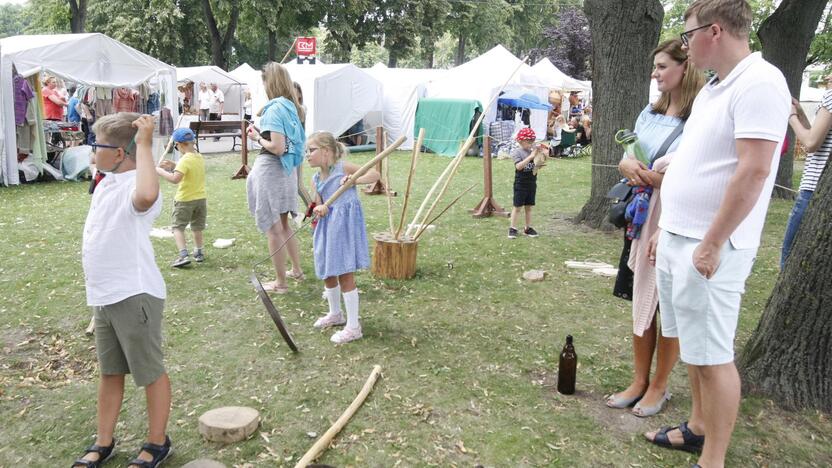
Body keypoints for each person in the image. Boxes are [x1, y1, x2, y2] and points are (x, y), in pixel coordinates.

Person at [643, 2, 790, 467]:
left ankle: (714, 458)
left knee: (713, 354)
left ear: (715, 31)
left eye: (687, 36)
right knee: (693, 344)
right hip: (678, 236)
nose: (685, 45)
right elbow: (699, 154)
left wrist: (710, 243)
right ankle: (698, 426)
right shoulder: (714, 88)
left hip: (713, 247)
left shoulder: (761, 83)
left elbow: (753, 171)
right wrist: (664, 227)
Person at [606, 39, 705, 418]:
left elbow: (701, 173)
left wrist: (664, 180)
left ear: (685, 68)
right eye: (655, 67)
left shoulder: (701, 117)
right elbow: (629, 154)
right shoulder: (650, 111)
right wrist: (626, 166)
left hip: (677, 218)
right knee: (640, 296)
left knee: (669, 306)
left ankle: (660, 385)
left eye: (662, 66)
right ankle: (638, 380)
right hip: (641, 216)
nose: (655, 73)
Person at [72, 113, 172, 468]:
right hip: (104, 297)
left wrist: (144, 143)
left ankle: (157, 441)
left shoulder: (139, 185)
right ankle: (103, 440)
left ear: (118, 153)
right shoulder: (105, 183)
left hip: (134, 294)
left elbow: (146, 194)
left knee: (149, 371)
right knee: (110, 372)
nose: (90, 151)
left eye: (95, 145)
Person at [306, 131, 377, 344]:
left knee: (345, 273)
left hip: (344, 229)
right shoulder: (316, 178)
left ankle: (354, 327)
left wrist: (355, 180)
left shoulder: (343, 168)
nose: (307, 155)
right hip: (327, 228)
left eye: (311, 150)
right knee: (328, 271)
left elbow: (375, 174)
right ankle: (335, 314)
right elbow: (318, 202)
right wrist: (319, 208)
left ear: (326, 152)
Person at [245, 62, 306, 293]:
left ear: (269, 83)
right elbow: (288, 144)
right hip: (286, 171)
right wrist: (263, 135)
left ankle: (281, 283)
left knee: (273, 229)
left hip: (272, 169)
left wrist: (256, 138)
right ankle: (296, 270)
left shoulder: (274, 109)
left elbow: (277, 147)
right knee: (283, 224)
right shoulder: (293, 108)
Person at [782, 84, 832, 267]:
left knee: (791, 251)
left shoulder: (830, 96)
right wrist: (801, 114)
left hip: (813, 189)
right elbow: (819, 136)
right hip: (821, 189)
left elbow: (811, 143)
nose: (827, 76)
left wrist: (792, 117)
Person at [156, 128, 207, 268]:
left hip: (185, 200)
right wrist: (173, 165)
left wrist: (160, 171)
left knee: (178, 227)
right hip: (200, 199)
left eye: (176, 146)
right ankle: (199, 252)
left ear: (179, 144)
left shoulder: (184, 160)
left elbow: (175, 179)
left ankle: (183, 255)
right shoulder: (198, 157)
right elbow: (189, 168)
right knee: (197, 227)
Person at [507, 127, 540, 239]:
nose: (531, 144)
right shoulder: (517, 152)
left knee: (529, 207)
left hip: (531, 183)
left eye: (532, 141)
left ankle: (528, 228)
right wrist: (531, 157)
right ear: (520, 141)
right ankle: (512, 228)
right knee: (517, 207)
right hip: (521, 184)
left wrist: (540, 159)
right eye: (528, 141)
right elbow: (519, 166)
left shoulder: (533, 152)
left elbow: (535, 167)